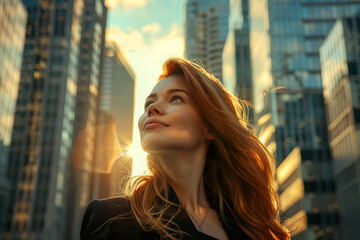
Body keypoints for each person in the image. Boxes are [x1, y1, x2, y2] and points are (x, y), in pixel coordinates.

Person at [80, 57, 290, 240]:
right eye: (148, 104)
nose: (152, 109)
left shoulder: (251, 230)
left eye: (176, 98)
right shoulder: (109, 219)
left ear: (209, 126)